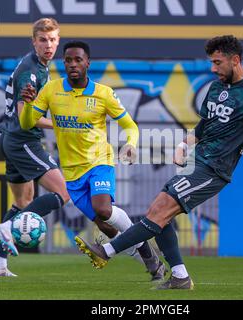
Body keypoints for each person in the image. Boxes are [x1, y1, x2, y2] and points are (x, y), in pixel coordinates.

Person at [74, 35, 243, 290]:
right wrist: (183, 145)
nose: (213, 69)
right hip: (197, 163)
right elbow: (204, 125)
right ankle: (180, 277)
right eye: (211, 63)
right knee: (162, 213)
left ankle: (106, 251)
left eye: (218, 62)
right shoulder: (216, 88)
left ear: (235, 60)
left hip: (215, 170)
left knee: (158, 212)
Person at [0, 20, 140, 279]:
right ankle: (8, 227)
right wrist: (64, 124)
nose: (48, 46)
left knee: (23, 202)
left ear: (58, 42)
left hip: (11, 138)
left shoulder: (38, 67)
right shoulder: (32, 71)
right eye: (43, 40)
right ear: (33, 41)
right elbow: (26, 115)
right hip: (24, 140)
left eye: (52, 40)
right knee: (64, 191)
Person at [19, 40, 166, 281]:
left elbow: (130, 126)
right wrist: (27, 106)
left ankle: (142, 256)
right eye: (68, 60)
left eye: (78, 60)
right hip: (72, 172)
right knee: (107, 226)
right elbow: (27, 123)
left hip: (99, 162)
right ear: (63, 63)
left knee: (103, 209)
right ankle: (151, 261)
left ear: (88, 62)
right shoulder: (51, 91)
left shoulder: (103, 93)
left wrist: (130, 143)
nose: (73, 64)